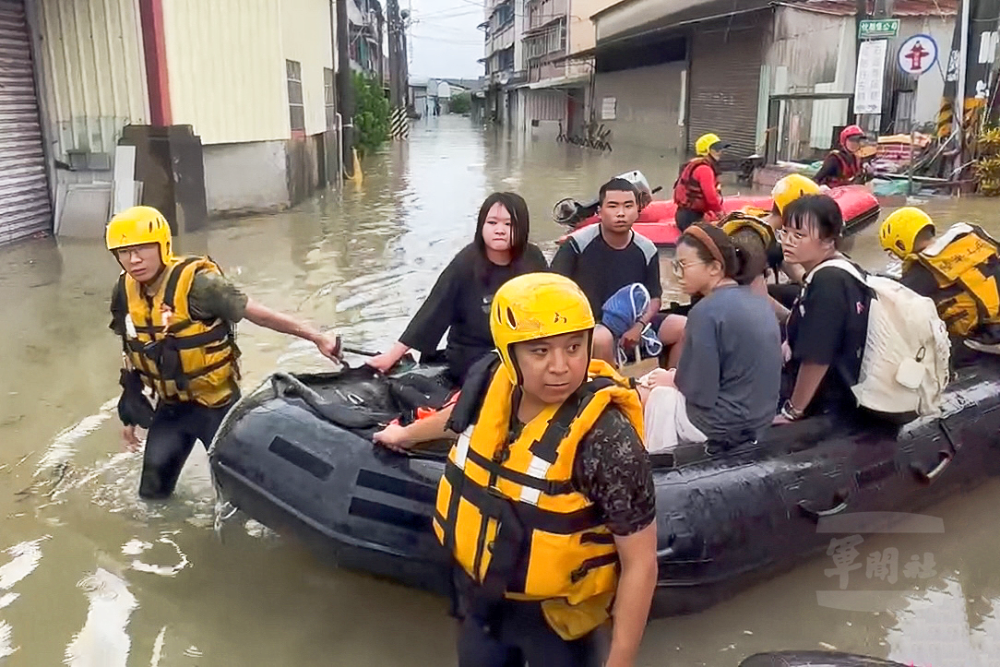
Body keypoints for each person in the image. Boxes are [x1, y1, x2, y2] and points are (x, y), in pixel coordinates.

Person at [379, 273, 657, 666]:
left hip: (557, 624)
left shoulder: (607, 438)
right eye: (540, 351)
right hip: (482, 604)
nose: (560, 367)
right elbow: (460, 420)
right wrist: (404, 436)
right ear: (511, 355)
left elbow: (640, 562)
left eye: (574, 347)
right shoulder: (494, 382)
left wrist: (621, 661)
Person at [106, 206, 341, 499]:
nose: (134, 259)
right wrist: (130, 411)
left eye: (142, 248)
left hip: (217, 407)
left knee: (242, 499)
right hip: (172, 409)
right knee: (152, 497)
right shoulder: (124, 290)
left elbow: (259, 314)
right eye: (124, 251)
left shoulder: (200, 285)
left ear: (162, 245)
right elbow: (131, 346)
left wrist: (317, 337)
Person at [367, 192, 548, 384]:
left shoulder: (533, 258)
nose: (499, 230)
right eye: (492, 223)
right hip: (475, 353)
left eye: (508, 224)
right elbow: (432, 312)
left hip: (520, 347)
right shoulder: (465, 264)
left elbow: (551, 304)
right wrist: (392, 356)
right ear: (481, 226)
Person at [637, 224, 781, 453]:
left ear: (714, 268)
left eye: (683, 265)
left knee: (659, 396)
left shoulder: (705, 311)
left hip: (724, 425)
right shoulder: (757, 301)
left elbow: (700, 393)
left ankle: (658, 465)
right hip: (759, 419)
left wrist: (672, 380)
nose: (678, 274)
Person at [551, 177, 685, 367]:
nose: (621, 213)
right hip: (590, 324)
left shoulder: (647, 249)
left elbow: (654, 298)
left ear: (637, 210)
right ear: (600, 211)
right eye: (613, 206)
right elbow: (552, 291)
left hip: (634, 322)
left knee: (684, 328)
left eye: (628, 206)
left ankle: (669, 382)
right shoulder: (577, 245)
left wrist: (638, 327)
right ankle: (609, 390)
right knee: (603, 337)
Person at [772, 195, 871, 424]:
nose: (788, 241)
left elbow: (817, 358)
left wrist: (792, 411)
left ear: (828, 241)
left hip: (828, 400)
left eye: (799, 235)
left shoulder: (829, 282)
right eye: (785, 232)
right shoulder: (842, 268)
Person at [880, 207, 1000, 344]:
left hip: (982, 341)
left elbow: (898, 311)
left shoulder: (920, 271)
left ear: (901, 245)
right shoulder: (971, 235)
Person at [673, 133, 728, 231]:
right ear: (707, 151)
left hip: (687, 214)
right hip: (690, 217)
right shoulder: (704, 169)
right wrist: (721, 214)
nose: (720, 152)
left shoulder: (696, 164)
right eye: (716, 149)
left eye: (720, 149)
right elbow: (711, 197)